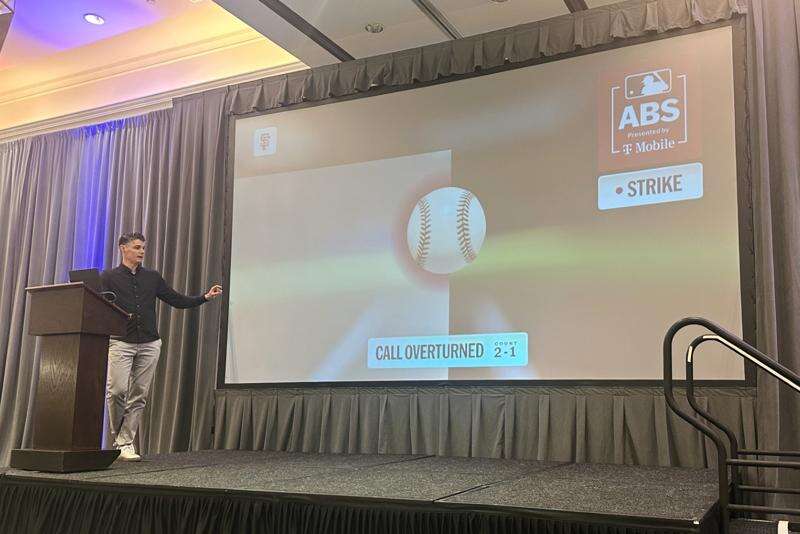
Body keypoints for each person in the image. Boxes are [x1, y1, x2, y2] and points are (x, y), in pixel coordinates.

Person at [100, 232, 223, 461]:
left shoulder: (152, 277)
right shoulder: (108, 277)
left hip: (150, 343)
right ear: (123, 248)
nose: (141, 251)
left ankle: (125, 443)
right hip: (120, 341)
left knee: (139, 394)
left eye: (143, 247)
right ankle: (119, 437)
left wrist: (204, 297)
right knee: (116, 391)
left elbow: (175, 299)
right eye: (137, 247)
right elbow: (98, 305)